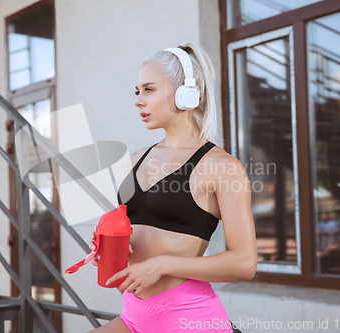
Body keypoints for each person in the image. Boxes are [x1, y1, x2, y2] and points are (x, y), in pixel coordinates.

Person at [87, 41, 257, 333]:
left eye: (149, 90)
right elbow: (133, 233)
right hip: (134, 316)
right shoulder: (136, 159)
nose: (138, 100)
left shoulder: (221, 166)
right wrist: (108, 246)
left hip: (188, 319)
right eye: (137, 92)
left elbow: (244, 263)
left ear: (186, 94)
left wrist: (162, 264)